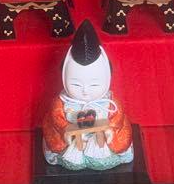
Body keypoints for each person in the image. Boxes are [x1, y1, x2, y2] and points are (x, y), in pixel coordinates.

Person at [42, 20, 133, 171]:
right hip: (73, 138)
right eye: (76, 84)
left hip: (102, 137)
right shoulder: (62, 102)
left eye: (94, 85)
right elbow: (56, 119)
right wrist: (66, 129)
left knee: (112, 147)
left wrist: (110, 129)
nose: (85, 91)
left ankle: (110, 153)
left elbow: (117, 118)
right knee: (65, 150)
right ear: (64, 78)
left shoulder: (109, 102)